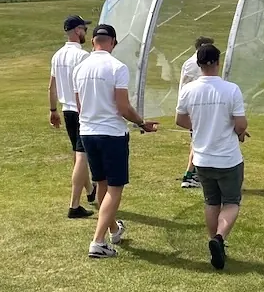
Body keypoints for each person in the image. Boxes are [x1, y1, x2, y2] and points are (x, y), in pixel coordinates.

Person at [73, 23, 159, 259]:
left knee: (101, 183)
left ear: (93, 42)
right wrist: (141, 123)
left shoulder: (80, 68)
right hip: (111, 134)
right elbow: (122, 107)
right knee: (115, 187)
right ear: (112, 42)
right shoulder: (117, 67)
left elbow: (80, 106)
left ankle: (113, 229)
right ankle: (98, 241)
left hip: (88, 132)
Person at [175, 43, 248, 271]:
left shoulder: (188, 90)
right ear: (218, 62)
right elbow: (240, 124)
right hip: (227, 157)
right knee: (232, 201)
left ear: (198, 64)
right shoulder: (231, 89)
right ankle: (218, 238)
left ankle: (215, 241)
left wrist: (198, 127)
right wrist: (239, 132)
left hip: (202, 158)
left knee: (211, 201)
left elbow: (180, 119)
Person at [48, 14, 95, 219]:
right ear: (77, 30)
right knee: (82, 156)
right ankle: (74, 205)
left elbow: (52, 86)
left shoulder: (57, 55)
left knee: (78, 155)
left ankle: (91, 191)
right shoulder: (83, 56)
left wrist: (52, 110)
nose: (85, 32)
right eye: (83, 29)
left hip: (66, 110)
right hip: (80, 110)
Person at [178, 35, 214, 189]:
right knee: (198, 142)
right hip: (196, 109)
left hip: (196, 108)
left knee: (198, 141)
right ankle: (190, 175)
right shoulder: (194, 64)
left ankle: (194, 174)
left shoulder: (191, 62)